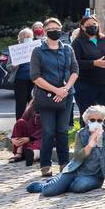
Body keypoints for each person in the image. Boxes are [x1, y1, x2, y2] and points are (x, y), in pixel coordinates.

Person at [26, 104, 105, 197]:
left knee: (79, 187)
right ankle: (43, 186)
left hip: (93, 176)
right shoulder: (81, 134)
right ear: (87, 121)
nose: (96, 123)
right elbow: (78, 157)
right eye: (92, 120)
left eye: (99, 120)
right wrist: (90, 144)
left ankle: (59, 183)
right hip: (74, 170)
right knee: (48, 192)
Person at [29, 18, 78, 177]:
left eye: (57, 28)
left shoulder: (68, 49)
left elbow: (75, 71)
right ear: (44, 31)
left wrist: (65, 89)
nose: (54, 31)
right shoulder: (38, 51)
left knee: (63, 131)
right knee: (48, 131)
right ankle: (45, 164)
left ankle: (64, 164)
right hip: (46, 96)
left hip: (66, 95)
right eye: (50, 28)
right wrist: (56, 90)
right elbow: (35, 76)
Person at [72, 13, 105, 124]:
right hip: (86, 85)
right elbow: (75, 63)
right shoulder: (77, 42)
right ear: (83, 27)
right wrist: (94, 63)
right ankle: (87, 134)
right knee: (87, 115)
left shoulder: (104, 39)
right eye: (89, 25)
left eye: (94, 24)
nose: (92, 27)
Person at [8, 100, 43, 166]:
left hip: (42, 136)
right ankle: (19, 153)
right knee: (20, 122)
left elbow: (47, 128)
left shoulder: (50, 107)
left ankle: (32, 155)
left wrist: (30, 138)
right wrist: (13, 138)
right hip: (28, 137)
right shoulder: (32, 107)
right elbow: (22, 122)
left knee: (39, 143)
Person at [12, 26, 35, 119]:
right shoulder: (15, 50)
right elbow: (8, 66)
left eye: (29, 37)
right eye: (25, 37)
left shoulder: (35, 48)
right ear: (21, 38)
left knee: (33, 103)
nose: (27, 39)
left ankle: (32, 123)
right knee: (20, 103)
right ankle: (19, 123)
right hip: (20, 79)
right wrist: (13, 66)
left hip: (34, 79)